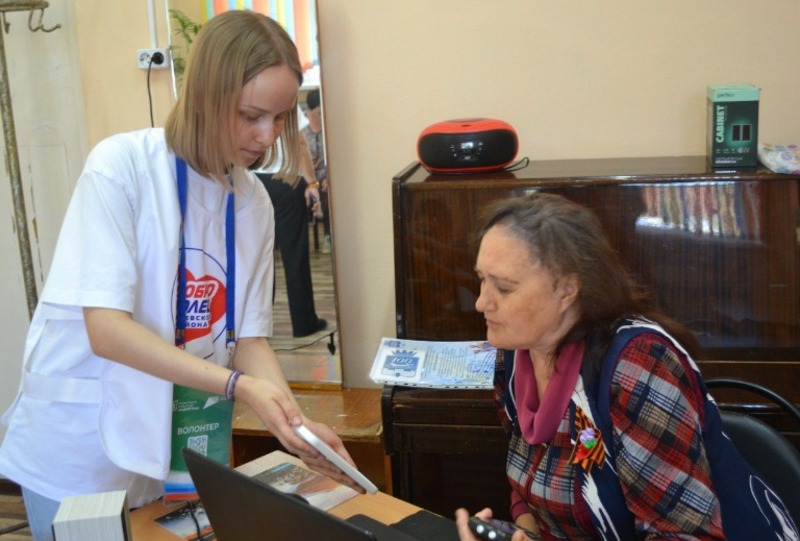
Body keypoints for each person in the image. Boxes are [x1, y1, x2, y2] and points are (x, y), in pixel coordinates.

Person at [0, 11, 360, 541]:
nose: (267, 135)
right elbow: (107, 330)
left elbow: (248, 340)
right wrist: (241, 387)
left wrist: (295, 425)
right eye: (251, 115)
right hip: (80, 448)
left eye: (281, 117)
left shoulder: (253, 201)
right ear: (206, 97)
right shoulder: (120, 167)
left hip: (170, 442)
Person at [454, 193, 798, 541]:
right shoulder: (515, 352)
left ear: (567, 290)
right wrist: (522, 534)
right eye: (482, 279)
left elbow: (682, 535)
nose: (481, 302)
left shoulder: (638, 366)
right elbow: (528, 488)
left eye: (504, 288)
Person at [256, 100, 328, 337]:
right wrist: (312, 183)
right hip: (286, 180)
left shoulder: (247, 98)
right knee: (295, 254)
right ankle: (303, 322)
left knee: (259, 260)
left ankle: (258, 329)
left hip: (254, 182)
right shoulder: (284, 96)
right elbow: (298, 143)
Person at [300, 88, 331, 254]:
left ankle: (328, 237)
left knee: (328, 197)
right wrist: (306, 162)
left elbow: (334, 157)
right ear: (310, 111)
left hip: (324, 176)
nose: (320, 116)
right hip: (306, 178)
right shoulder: (302, 131)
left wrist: (327, 177)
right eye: (318, 112)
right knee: (298, 197)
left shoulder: (329, 129)